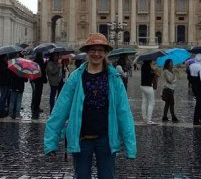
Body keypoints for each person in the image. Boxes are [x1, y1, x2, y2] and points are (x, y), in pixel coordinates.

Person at [44, 33, 136, 179]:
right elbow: (60, 109)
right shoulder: (76, 77)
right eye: (93, 50)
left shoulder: (113, 78)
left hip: (106, 138)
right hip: (81, 138)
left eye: (100, 50)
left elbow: (123, 112)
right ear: (87, 52)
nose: (96, 53)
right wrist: (51, 141)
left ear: (105, 53)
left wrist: (130, 146)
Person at [188, 54, 201, 126]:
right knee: (199, 104)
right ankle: (196, 119)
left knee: (198, 103)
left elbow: (189, 76)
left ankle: (200, 118)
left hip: (194, 86)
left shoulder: (191, 66)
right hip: (200, 87)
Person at [140, 60, 157, 124]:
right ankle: (149, 120)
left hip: (142, 85)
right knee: (151, 103)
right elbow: (149, 76)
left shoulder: (143, 66)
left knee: (144, 102)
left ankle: (144, 118)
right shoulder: (148, 67)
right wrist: (154, 73)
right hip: (148, 86)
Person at [32, 52, 47, 119]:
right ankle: (36, 107)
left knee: (36, 94)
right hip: (39, 80)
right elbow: (42, 70)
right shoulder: (40, 61)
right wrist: (45, 64)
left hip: (36, 79)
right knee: (38, 94)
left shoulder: (35, 61)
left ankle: (35, 106)